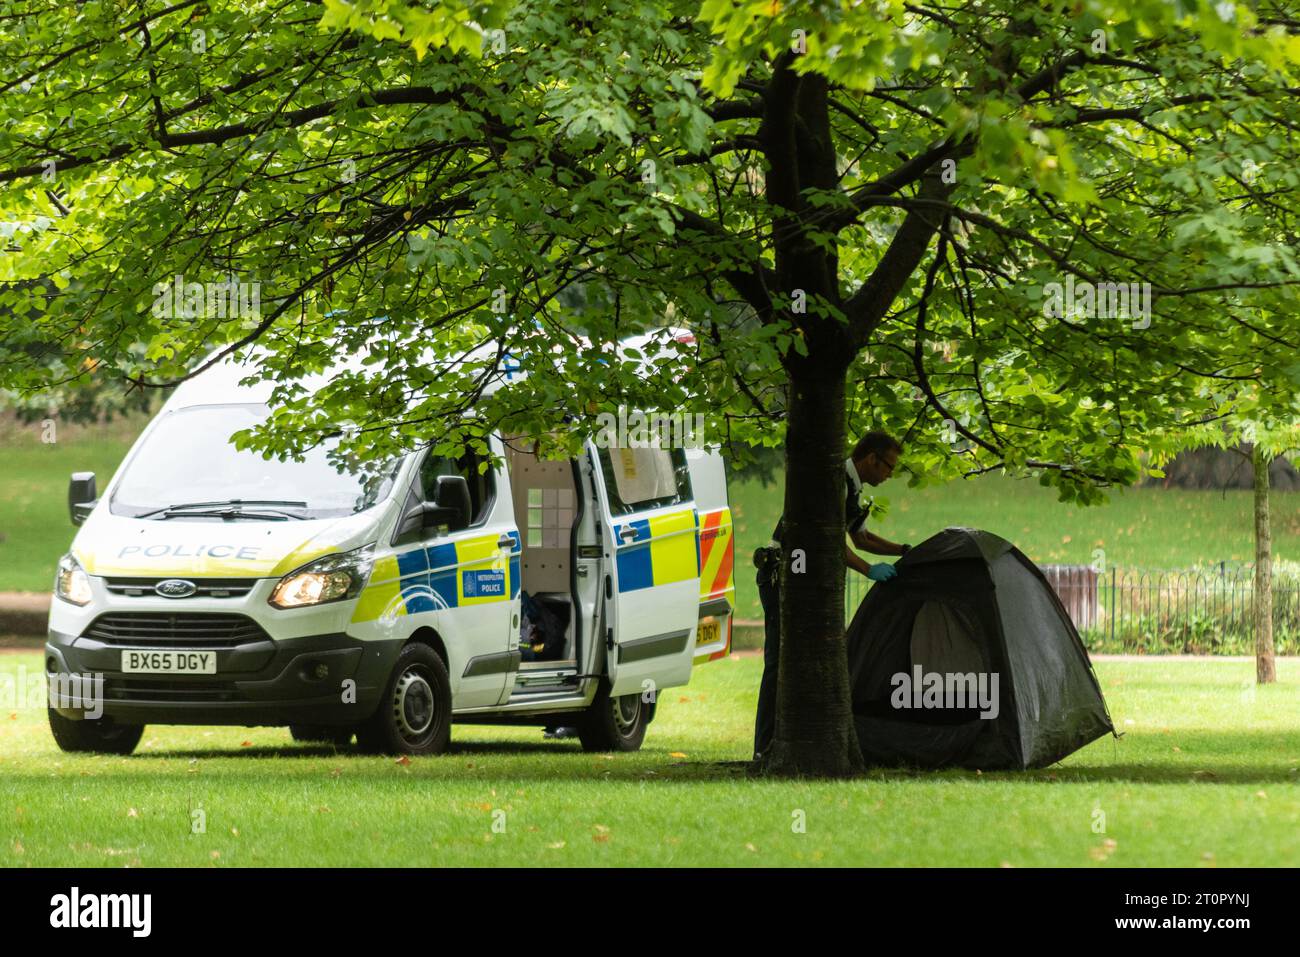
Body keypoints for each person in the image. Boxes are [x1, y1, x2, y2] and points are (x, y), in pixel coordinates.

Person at [752, 431, 910, 761]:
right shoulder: (833, 482)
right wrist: (869, 571)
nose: (890, 474)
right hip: (780, 575)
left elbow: (861, 538)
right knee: (778, 662)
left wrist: (904, 552)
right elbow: (831, 542)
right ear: (871, 459)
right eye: (889, 467)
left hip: (802, 579)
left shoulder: (852, 488)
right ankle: (763, 747)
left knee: (805, 662)